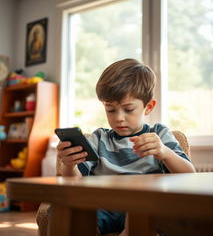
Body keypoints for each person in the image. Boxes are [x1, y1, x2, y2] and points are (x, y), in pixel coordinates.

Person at [57, 58, 196, 235]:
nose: (119, 118)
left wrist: (165, 153)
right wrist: (69, 165)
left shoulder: (159, 135)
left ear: (149, 107)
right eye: (110, 110)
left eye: (128, 109)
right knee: (74, 215)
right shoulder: (99, 138)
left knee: (147, 213)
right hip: (102, 206)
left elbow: (189, 176)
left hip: (142, 207)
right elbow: (73, 183)